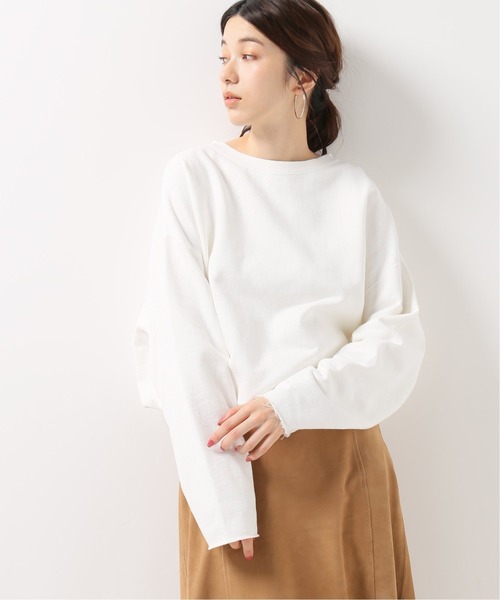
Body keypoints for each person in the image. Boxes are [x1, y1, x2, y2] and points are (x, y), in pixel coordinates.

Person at [133, 0, 426, 597]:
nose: (226, 72)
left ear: (303, 75)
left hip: (343, 467)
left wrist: (290, 404)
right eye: (223, 55)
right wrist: (224, 502)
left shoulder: (353, 193)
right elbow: (181, 348)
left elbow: (396, 340)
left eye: (249, 55)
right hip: (237, 467)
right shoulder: (198, 178)